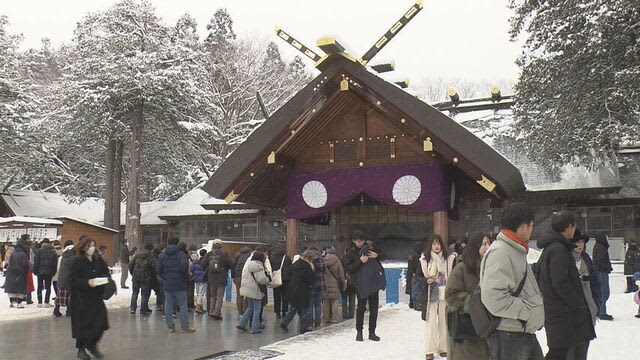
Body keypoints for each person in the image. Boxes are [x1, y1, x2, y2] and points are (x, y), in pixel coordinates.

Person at [479, 203, 544, 360]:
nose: (532, 229)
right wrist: (526, 312)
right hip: (509, 334)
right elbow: (493, 297)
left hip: (520, 332)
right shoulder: (501, 252)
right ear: (523, 226)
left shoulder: (514, 250)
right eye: (532, 225)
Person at [536, 212, 595, 360]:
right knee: (560, 354)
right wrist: (577, 303)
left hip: (557, 315)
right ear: (569, 227)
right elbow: (560, 283)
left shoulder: (551, 248)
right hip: (563, 317)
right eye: (574, 226)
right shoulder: (558, 250)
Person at [445, 232, 491, 360]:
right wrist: (474, 302)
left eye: (489, 243)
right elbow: (451, 296)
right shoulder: (461, 268)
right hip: (466, 332)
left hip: (487, 329)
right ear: (475, 246)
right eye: (484, 244)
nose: (487, 247)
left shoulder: (492, 268)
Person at [69, 236, 110, 360]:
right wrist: (87, 282)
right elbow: (73, 280)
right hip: (81, 299)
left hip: (96, 297)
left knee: (101, 323)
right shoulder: (77, 261)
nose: (92, 248)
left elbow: (106, 273)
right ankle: (81, 349)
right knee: (83, 325)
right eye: (89, 245)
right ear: (83, 247)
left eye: (93, 245)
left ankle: (92, 345)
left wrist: (104, 280)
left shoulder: (98, 260)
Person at [344, 231, 386, 342]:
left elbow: (384, 255)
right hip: (360, 285)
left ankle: (372, 332)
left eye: (362, 240)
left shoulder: (370, 248)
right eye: (358, 241)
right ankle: (359, 331)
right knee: (361, 309)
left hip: (373, 283)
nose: (360, 243)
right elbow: (349, 268)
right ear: (354, 241)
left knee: (374, 309)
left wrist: (377, 256)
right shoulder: (350, 253)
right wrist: (360, 261)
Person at [419, 235, 456, 360]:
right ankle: (429, 350)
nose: (436, 246)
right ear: (430, 245)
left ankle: (443, 348)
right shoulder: (424, 260)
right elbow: (417, 277)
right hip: (431, 295)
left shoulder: (449, 258)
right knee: (431, 324)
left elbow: (454, 275)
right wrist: (426, 280)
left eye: (438, 243)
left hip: (445, 294)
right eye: (434, 243)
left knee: (444, 322)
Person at [156, 237, 195, 333]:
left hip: (167, 283)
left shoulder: (162, 255)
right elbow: (184, 268)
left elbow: (158, 270)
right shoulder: (181, 255)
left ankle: (170, 327)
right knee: (182, 305)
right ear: (177, 243)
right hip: (180, 283)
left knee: (168, 304)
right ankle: (184, 326)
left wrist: (165, 277)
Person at [281, 249, 315, 333]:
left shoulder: (295, 263)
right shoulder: (307, 266)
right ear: (308, 258)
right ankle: (303, 328)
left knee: (294, 308)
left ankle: (285, 322)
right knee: (304, 309)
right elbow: (310, 279)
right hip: (303, 290)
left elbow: (288, 274)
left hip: (293, 288)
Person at [237, 251, 271, 334]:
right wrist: (268, 279)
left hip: (248, 289)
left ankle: (241, 323)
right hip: (255, 290)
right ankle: (254, 328)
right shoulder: (258, 266)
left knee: (250, 308)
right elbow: (262, 279)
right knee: (257, 309)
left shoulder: (249, 264)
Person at [572, 229, 601, 320]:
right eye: (577, 241)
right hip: (574, 306)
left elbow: (595, 282)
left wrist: (597, 302)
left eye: (582, 242)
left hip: (589, 304)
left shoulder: (586, 258)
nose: (580, 245)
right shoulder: (566, 258)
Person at [202, 239, 232, 320]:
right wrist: (225, 269)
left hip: (211, 278)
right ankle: (217, 313)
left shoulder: (209, 254)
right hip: (221, 277)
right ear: (221, 245)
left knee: (212, 296)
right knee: (219, 296)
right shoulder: (225, 253)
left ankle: (211, 311)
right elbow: (231, 263)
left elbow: (203, 264)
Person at [128, 242, 156, 315]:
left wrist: (133, 273)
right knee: (144, 294)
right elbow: (154, 267)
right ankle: (143, 310)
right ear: (151, 249)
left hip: (136, 277)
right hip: (146, 277)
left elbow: (130, 265)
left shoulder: (137, 255)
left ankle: (133, 309)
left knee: (135, 293)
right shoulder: (151, 256)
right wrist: (152, 275)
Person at [322, 246, 346, 324]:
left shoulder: (323, 261)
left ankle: (325, 318)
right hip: (335, 284)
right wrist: (344, 284)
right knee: (334, 301)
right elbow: (341, 274)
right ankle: (334, 318)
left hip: (325, 284)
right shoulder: (337, 261)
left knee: (326, 302)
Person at [593, 232, 614, 320]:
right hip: (602, 272)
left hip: (600, 272)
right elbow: (602, 261)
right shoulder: (601, 247)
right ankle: (602, 312)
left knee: (603, 292)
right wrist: (607, 268)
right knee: (604, 292)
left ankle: (601, 311)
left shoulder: (598, 246)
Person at [4, 238, 30, 308]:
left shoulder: (13, 253)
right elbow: (25, 264)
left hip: (11, 271)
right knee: (20, 288)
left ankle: (11, 302)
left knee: (12, 288)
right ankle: (19, 303)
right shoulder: (23, 254)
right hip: (20, 272)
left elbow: (9, 263)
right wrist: (26, 270)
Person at [33, 238, 58, 307]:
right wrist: (53, 272)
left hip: (40, 271)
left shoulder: (39, 251)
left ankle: (39, 302)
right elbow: (54, 263)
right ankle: (46, 302)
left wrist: (35, 271)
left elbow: (36, 262)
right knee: (48, 287)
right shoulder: (53, 252)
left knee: (39, 286)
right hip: (49, 272)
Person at [269, 246, 292, 319]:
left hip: (276, 279)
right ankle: (284, 311)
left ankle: (277, 312)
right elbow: (290, 268)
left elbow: (270, 267)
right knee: (285, 296)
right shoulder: (287, 258)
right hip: (286, 279)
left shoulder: (272, 258)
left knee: (276, 296)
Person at [54, 240, 75, 317]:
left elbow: (59, 267)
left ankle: (56, 310)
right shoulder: (74, 257)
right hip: (70, 279)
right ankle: (69, 311)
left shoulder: (63, 256)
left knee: (61, 295)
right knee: (70, 296)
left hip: (62, 278)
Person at [232, 246, 253, 314]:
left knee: (239, 295)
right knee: (247, 295)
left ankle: (240, 312)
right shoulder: (251, 255)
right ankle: (246, 311)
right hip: (246, 276)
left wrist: (233, 276)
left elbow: (233, 265)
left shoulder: (237, 255)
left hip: (237, 276)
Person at [309, 245, 326, 328]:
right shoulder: (321, 258)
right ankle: (318, 321)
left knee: (310, 305)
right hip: (320, 284)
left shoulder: (309, 259)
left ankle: (310, 322)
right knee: (318, 304)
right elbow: (324, 270)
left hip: (311, 284)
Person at [406, 241, 424, 309]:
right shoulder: (422, 257)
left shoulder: (411, 257)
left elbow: (409, 271)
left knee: (413, 290)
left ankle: (412, 303)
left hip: (413, 277)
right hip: (420, 276)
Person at [340, 248, 356, 319]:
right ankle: (351, 313)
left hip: (343, 281)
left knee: (344, 298)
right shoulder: (355, 260)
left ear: (345, 252)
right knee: (352, 298)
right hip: (352, 281)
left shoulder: (341, 259)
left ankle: (344, 313)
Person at [191, 249, 207, 314]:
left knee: (198, 292)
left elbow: (191, 269)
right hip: (203, 278)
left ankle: (200, 307)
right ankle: (198, 307)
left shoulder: (196, 261)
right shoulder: (206, 262)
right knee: (201, 293)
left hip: (196, 278)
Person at [152, 243, 165, 312]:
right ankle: (160, 304)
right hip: (158, 276)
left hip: (152, 276)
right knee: (160, 291)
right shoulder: (159, 257)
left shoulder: (151, 256)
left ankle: (158, 304)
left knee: (158, 291)